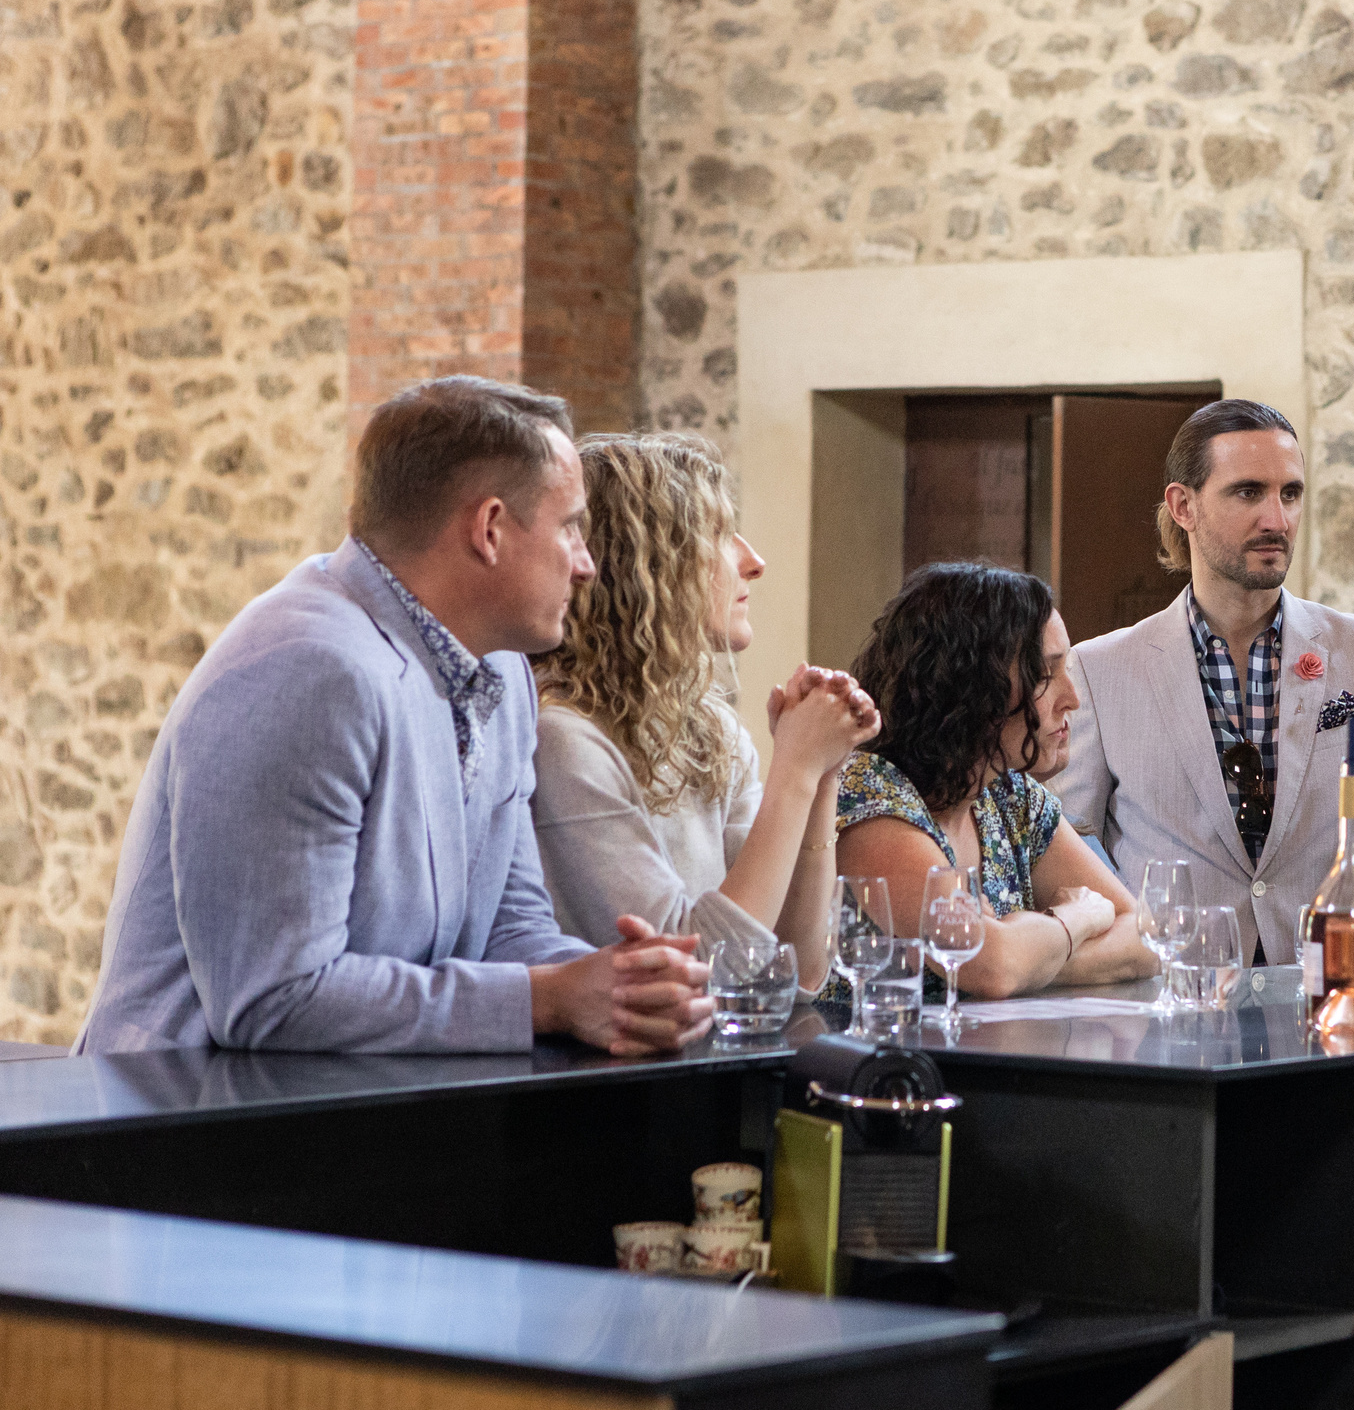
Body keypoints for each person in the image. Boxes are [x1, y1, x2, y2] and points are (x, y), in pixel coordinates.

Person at [77, 377, 711, 1056]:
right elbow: (274, 997)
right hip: (183, 1127)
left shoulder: (501, 669)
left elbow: (508, 925)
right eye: (570, 527)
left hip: (359, 1117)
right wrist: (550, 997)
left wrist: (624, 987)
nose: (586, 564)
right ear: (490, 528)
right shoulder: (308, 666)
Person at [1049, 399, 1354, 967]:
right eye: (1248, 492)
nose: (1276, 519)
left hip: (1327, 987)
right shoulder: (1100, 671)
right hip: (1172, 1000)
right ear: (1184, 506)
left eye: (1290, 494)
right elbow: (1065, 846)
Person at [531, 434, 878, 993]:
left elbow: (800, 967)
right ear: (645, 566)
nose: (754, 562)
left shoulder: (709, 728)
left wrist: (824, 771)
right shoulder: (562, 737)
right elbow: (703, 969)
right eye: (718, 535)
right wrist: (794, 770)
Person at [835, 562, 1155, 999]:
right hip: (887, 1065)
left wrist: (1031, 957)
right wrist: (1076, 921)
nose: (1073, 699)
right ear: (970, 688)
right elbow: (991, 965)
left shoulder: (1009, 796)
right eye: (1045, 675)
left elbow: (1143, 939)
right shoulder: (868, 794)